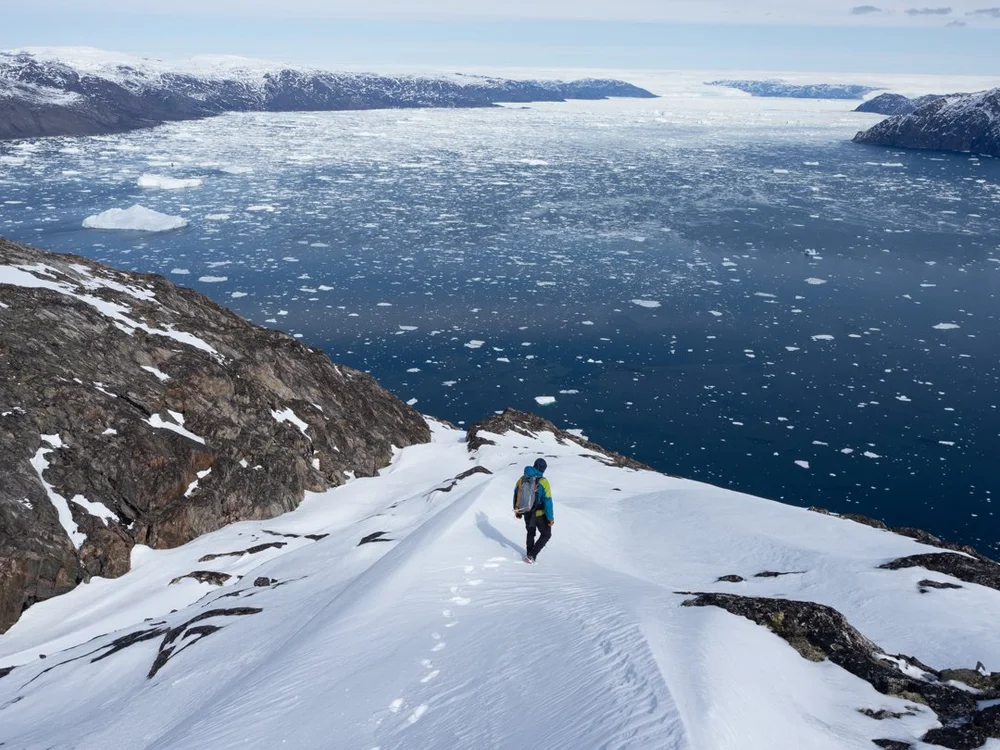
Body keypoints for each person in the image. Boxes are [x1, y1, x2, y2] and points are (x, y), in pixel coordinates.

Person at [513, 458, 553, 563]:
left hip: (527, 512)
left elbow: (516, 495)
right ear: (544, 469)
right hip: (539, 514)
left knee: (530, 533)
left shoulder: (522, 479)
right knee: (546, 534)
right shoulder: (544, 482)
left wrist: (518, 511)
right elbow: (548, 501)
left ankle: (529, 555)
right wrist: (550, 518)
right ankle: (532, 555)